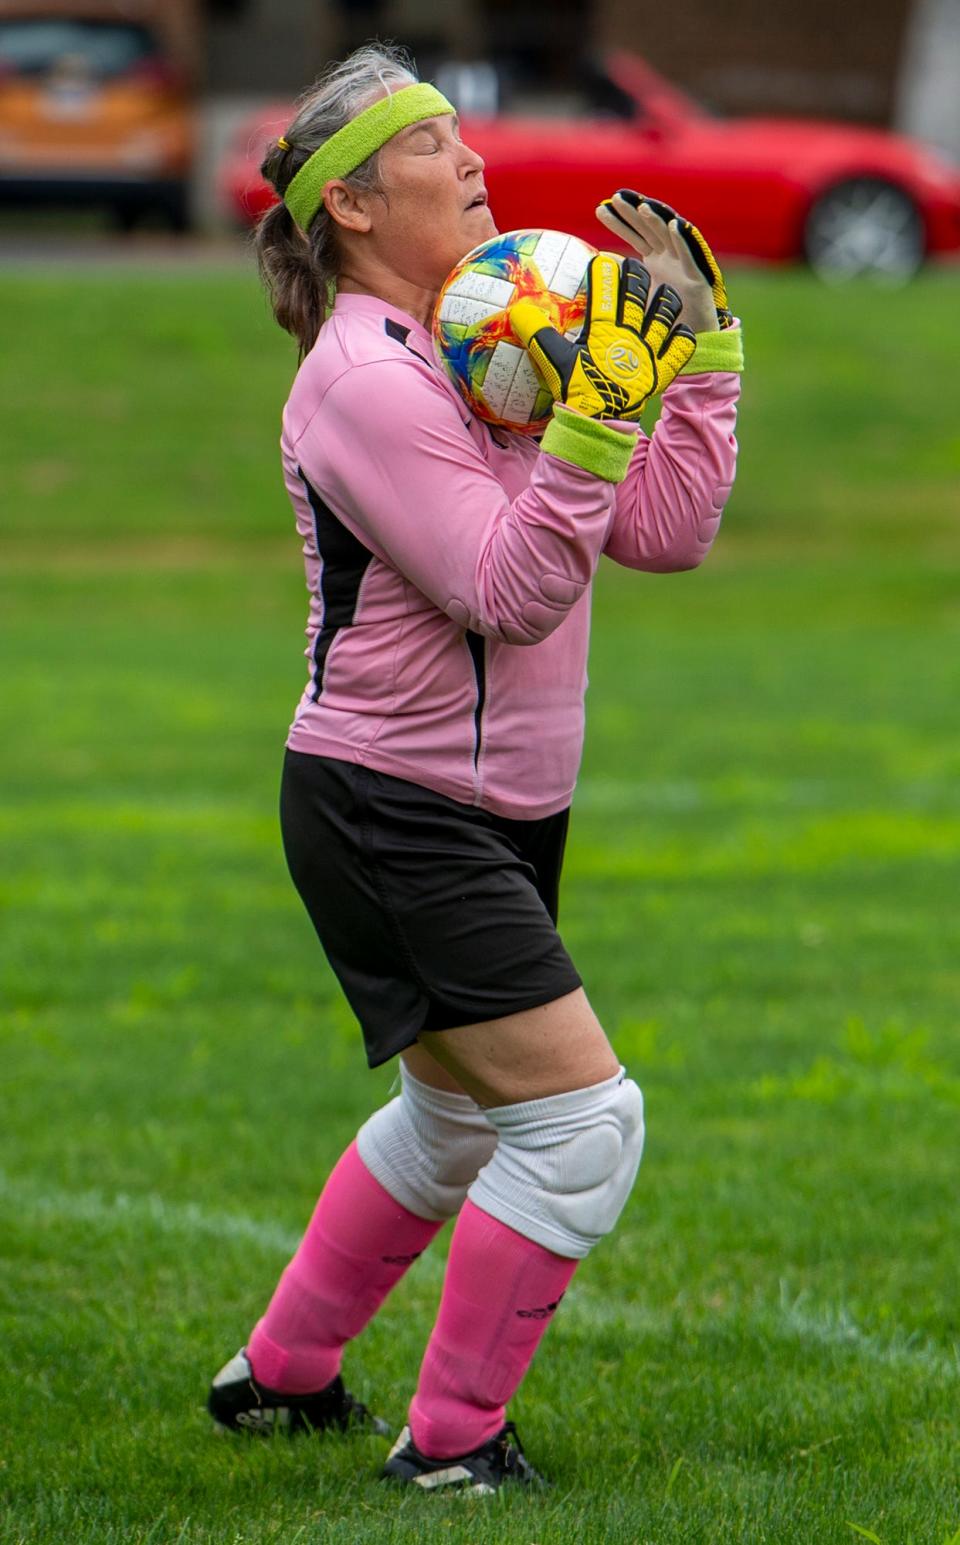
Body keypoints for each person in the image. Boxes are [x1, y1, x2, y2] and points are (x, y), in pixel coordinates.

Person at [207, 41, 743, 1494]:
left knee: (455, 1120)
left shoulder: (491, 342)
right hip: (390, 802)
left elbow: (670, 529)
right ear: (361, 207)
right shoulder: (360, 380)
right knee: (580, 1127)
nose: (472, 153)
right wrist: (589, 416)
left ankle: (282, 1374)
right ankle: (452, 1449)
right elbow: (508, 586)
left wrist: (695, 358)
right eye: (437, 139)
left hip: (497, 806)